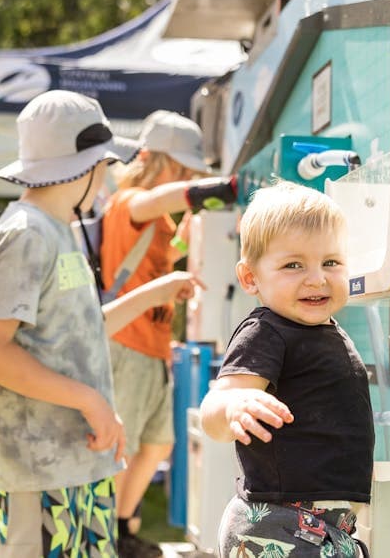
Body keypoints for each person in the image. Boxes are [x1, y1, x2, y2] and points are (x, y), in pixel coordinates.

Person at [0, 90, 201, 558]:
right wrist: (90, 401)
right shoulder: (24, 234)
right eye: (102, 164)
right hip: (38, 473)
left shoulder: (59, 229)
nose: (106, 177)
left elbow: (81, 328)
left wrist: (154, 293)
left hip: (83, 466)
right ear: (83, 165)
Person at [200, 181, 374, 558]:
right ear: (250, 278)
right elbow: (214, 409)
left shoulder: (324, 331)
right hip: (278, 524)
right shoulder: (266, 332)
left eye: (331, 262)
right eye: (293, 265)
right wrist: (232, 406)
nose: (317, 278)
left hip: (320, 527)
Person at [99, 109, 238, 557]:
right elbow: (161, 200)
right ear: (160, 162)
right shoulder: (129, 202)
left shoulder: (156, 220)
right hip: (128, 343)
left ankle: (120, 526)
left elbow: (155, 258)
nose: (187, 177)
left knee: (159, 442)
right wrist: (224, 189)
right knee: (127, 443)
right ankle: (109, 533)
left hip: (152, 344)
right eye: (183, 169)